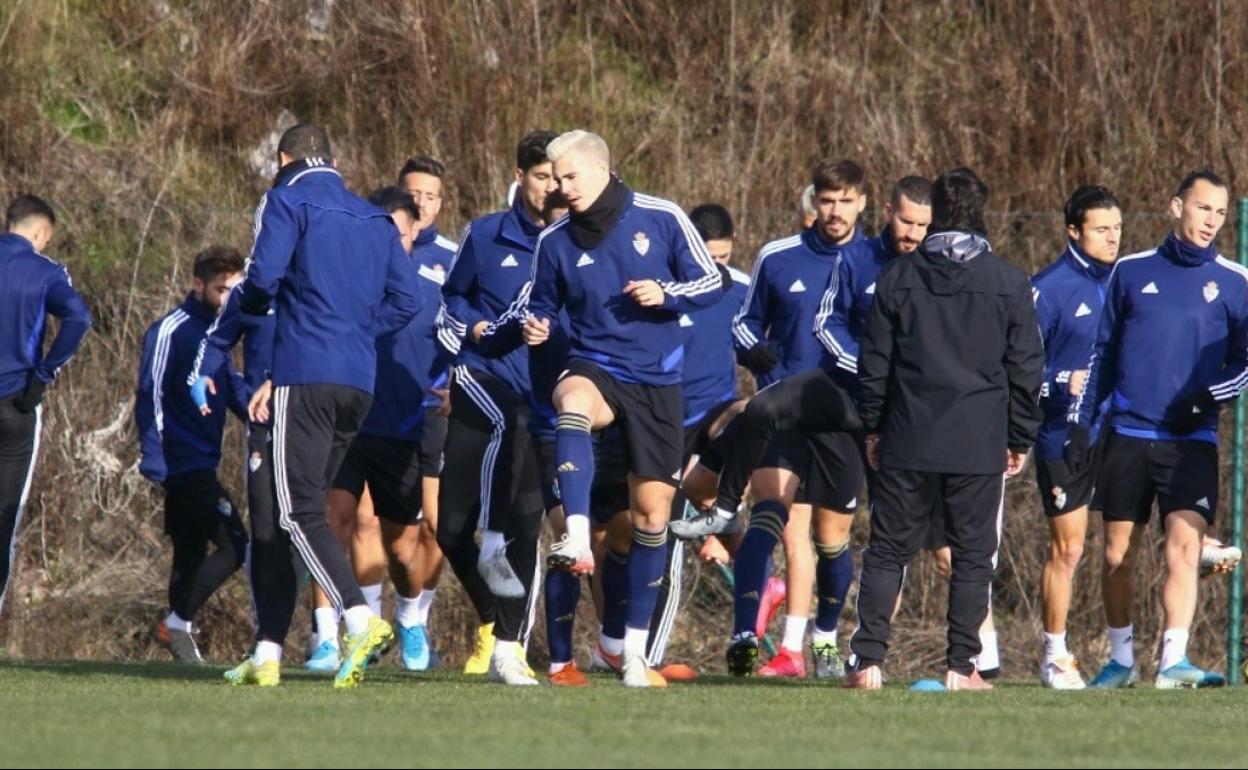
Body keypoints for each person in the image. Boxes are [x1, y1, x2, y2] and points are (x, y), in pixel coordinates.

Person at [205, 123, 421, 688]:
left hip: (304, 376)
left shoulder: (287, 198)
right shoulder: (374, 218)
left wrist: (250, 307)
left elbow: (264, 279)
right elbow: (408, 300)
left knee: (296, 513)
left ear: (284, 158)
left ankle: (358, 617)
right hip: (359, 383)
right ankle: (270, 650)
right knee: (288, 516)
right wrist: (355, 330)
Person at [522, 129, 722, 687]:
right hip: (597, 367)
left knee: (652, 518)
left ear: (601, 169)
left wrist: (667, 292)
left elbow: (713, 279)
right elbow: (540, 304)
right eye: (554, 179)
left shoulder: (660, 216)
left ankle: (634, 656)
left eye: (569, 178)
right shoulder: (555, 241)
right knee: (571, 400)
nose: (560, 188)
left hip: (658, 383)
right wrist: (536, 324)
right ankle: (579, 533)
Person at [847, 167, 1043, 691]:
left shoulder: (897, 278)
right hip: (979, 441)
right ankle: (962, 667)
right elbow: (1026, 368)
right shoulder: (1008, 282)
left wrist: (873, 428)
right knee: (973, 555)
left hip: (908, 435)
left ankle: (867, 663)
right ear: (982, 213)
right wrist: (1019, 436)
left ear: (935, 212)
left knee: (887, 550)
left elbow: (874, 366)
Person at [674, 160, 869, 680]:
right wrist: (752, 351)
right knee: (772, 515)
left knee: (830, 539)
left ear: (862, 204)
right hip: (779, 414)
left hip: (842, 419)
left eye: (845, 201)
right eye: (826, 201)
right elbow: (744, 322)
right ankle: (747, 635)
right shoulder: (779, 258)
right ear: (813, 204)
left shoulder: (876, 263)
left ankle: (821, 640)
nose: (834, 211)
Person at [1068, 170, 1247, 689]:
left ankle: (1173, 663)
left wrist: (1208, 395)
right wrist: (1083, 422)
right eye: (1202, 208)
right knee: (1116, 556)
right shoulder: (1130, 271)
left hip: (1191, 440)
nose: (1211, 220)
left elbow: (1243, 360)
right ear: (1176, 207)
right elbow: (1101, 353)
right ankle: (1121, 659)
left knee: (1184, 550)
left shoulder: (1236, 281)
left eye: (1219, 211)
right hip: (1127, 433)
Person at [438, 130, 560, 683]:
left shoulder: (575, 241)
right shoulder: (486, 234)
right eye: (541, 177)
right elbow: (451, 300)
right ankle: (490, 603)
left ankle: (510, 650)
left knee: (527, 519)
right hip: (479, 378)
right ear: (519, 175)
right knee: (448, 529)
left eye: (559, 177)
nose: (552, 187)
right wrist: (476, 325)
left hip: (543, 403)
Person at [137, 247, 250, 663]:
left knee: (189, 550)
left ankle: (179, 646)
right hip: (179, 461)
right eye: (221, 290)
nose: (228, 299)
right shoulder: (171, 330)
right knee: (236, 544)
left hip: (203, 459)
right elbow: (148, 394)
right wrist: (154, 455)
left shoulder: (220, 334)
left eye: (234, 290)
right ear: (198, 285)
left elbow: (234, 388)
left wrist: (261, 416)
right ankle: (177, 621)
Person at [1029, 185, 1121, 688]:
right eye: (1102, 229)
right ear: (1074, 231)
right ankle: (1054, 655)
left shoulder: (1127, 280)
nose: (1113, 238)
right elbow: (1015, 372)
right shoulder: (1047, 289)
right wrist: (1064, 381)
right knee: (1068, 549)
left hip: (1120, 429)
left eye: (1117, 228)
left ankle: (1125, 656)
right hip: (1062, 434)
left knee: (1124, 543)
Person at [0, 195, 91, 617]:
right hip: (16, 402)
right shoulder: (46, 271)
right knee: (4, 517)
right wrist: (44, 374)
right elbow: (78, 320)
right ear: (40, 233)